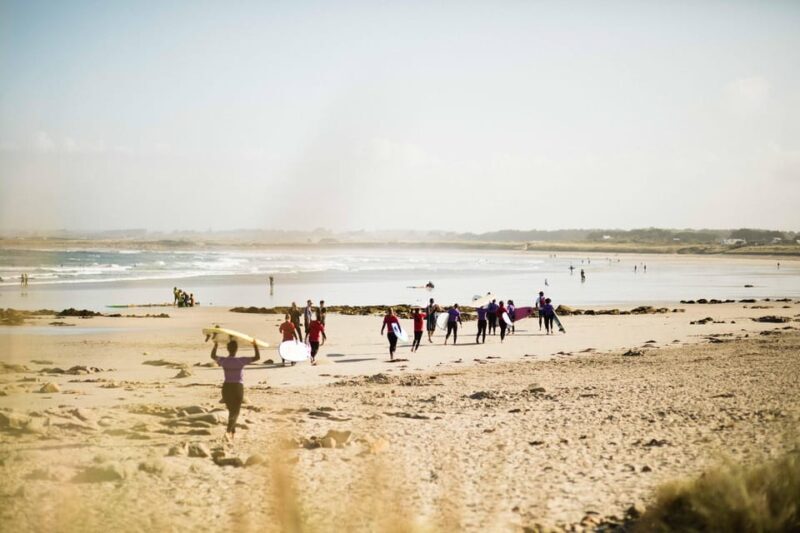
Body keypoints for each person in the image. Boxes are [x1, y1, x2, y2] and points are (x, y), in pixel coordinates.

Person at [211, 338, 260, 442]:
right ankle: (228, 431)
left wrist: (215, 345)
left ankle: (232, 434)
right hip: (237, 387)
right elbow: (257, 357)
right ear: (236, 349)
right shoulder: (240, 361)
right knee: (236, 412)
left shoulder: (224, 361)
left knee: (231, 411)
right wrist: (255, 345)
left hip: (226, 388)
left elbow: (213, 356)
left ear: (227, 349)